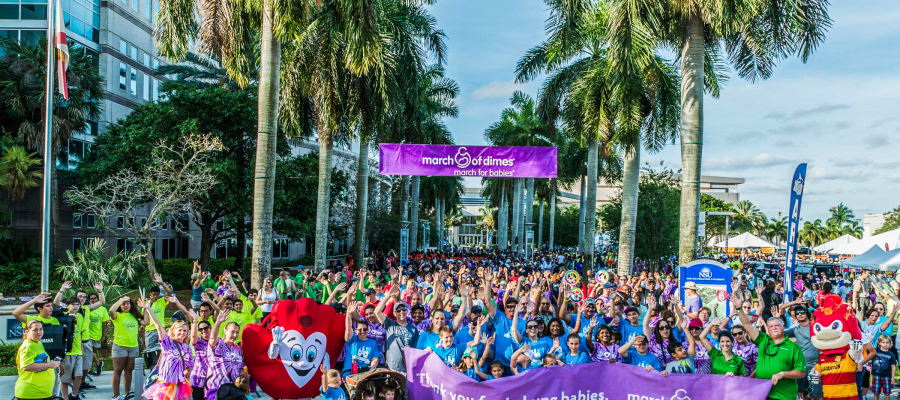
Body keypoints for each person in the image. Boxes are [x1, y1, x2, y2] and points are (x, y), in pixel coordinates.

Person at [737, 304, 807, 400]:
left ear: (783, 326)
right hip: (762, 393)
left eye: (777, 325)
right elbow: (746, 325)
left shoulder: (793, 347)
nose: (774, 328)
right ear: (768, 329)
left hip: (783, 396)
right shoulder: (763, 340)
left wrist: (782, 374)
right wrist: (738, 308)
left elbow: (801, 373)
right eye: (771, 326)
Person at [141, 297, 194, 400]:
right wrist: (148, 309)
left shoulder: (187, 348)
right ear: (173, 330)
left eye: (185, 331)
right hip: (165, 385)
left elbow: (187, 370)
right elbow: (158, 326)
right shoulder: (168, 343)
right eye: (180, 330)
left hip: (180, 385)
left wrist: (187, 377)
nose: (182, 333)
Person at [374, 279, 419, 372]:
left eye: (403, 309)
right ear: (394, 313)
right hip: (391, 370)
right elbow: (377, 312)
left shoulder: (414, 329)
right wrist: (388, 295)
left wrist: (410, 350)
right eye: (398, 310)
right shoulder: (390, 324)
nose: (401, 312)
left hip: (407, 371)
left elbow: (416, 351)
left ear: (407, 311)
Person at [109, 296, 147, 400]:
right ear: (120, 305)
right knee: (118, 370)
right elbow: (111, 310)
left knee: (129, 370)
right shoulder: (117, 315)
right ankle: (116, 396)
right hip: (120, 346)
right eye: (124, 304)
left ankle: (126, 393)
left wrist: (146, 308)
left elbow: (146, 322)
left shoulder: (134, 316)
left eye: (128, 303)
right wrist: (120, 300)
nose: (126, 305)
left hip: (133, 346)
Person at [782, 303, 821, 400]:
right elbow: (778, 332)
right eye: (797, 313)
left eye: (802, 312)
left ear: (807, 314)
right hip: (801, 367)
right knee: (802, 394)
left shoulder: (815, 326)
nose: (800, 314)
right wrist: (777, 316)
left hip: (815, 367)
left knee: (816, 395)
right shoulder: (795, 329)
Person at [16, 320, 62, 400]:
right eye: (35, 330)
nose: (39, 332)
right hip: (31, 394)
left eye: (41, 329)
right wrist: (49, 365)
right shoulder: (28, 346)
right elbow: (26, 366)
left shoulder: (38, 343)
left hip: (42, 394)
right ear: (27, 332)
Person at [206, 310, 246, 400]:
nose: (235, 335)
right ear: (225, 330)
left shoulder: (238, 349)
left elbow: (241, 368)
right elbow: (212, 338)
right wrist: (218, 322)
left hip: (234, 390)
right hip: (217, 389)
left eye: (237, 332)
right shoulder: (219, 344)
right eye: (232, 332)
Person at [60, 296, 88, 400]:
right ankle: (65, 397)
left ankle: (74, 395)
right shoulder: (62, 317)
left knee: (79, 376)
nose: (76, 306)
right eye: (73, 304)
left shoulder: (80, 316)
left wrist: (82, 349)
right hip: (67, 353)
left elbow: (79, 334)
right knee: (65, 379)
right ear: (67, 306)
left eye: (77, 304)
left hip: (78, 351)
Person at [342, 302, 382, 377]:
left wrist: (371, 370)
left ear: (368, 330)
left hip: (364, 376)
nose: (362, 332)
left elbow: (375, 359)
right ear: (356, 330)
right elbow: (348, 328)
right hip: (349, 375)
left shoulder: (373, 343)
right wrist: (348, 314)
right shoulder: (352, 339)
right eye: (360, 330)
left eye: (365, 329)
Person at [188, 311, 212, 400]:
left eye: (206, 328)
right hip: (198, 378)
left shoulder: (218, 341)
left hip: (213, 379)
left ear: (211, 328)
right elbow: (193, 336)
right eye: (200, 330)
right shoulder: (198, 342)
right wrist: (195, 320)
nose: (203, 331)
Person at [86, 290, 110, 377]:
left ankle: (89, 369)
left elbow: (104, 323)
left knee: (93, 352)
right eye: (91, 298)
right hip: (87, 334)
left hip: (97, 334)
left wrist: (103, 335)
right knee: (89, 351)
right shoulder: (88, 308)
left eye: (95, 298)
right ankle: (98, 364)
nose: (94, 300)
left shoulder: (103, 309)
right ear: (89, 300)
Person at [871, 335, 897, 400]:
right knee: (876, 392)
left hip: (887, 376)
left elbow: (893, 366)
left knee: (887, 393)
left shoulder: (891, 354)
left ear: (890, 343)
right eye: (883, 342)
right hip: (877, 374)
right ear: (879, 343)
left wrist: (893, 377)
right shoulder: (875, 351)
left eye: (887, 342)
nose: (885, 344)